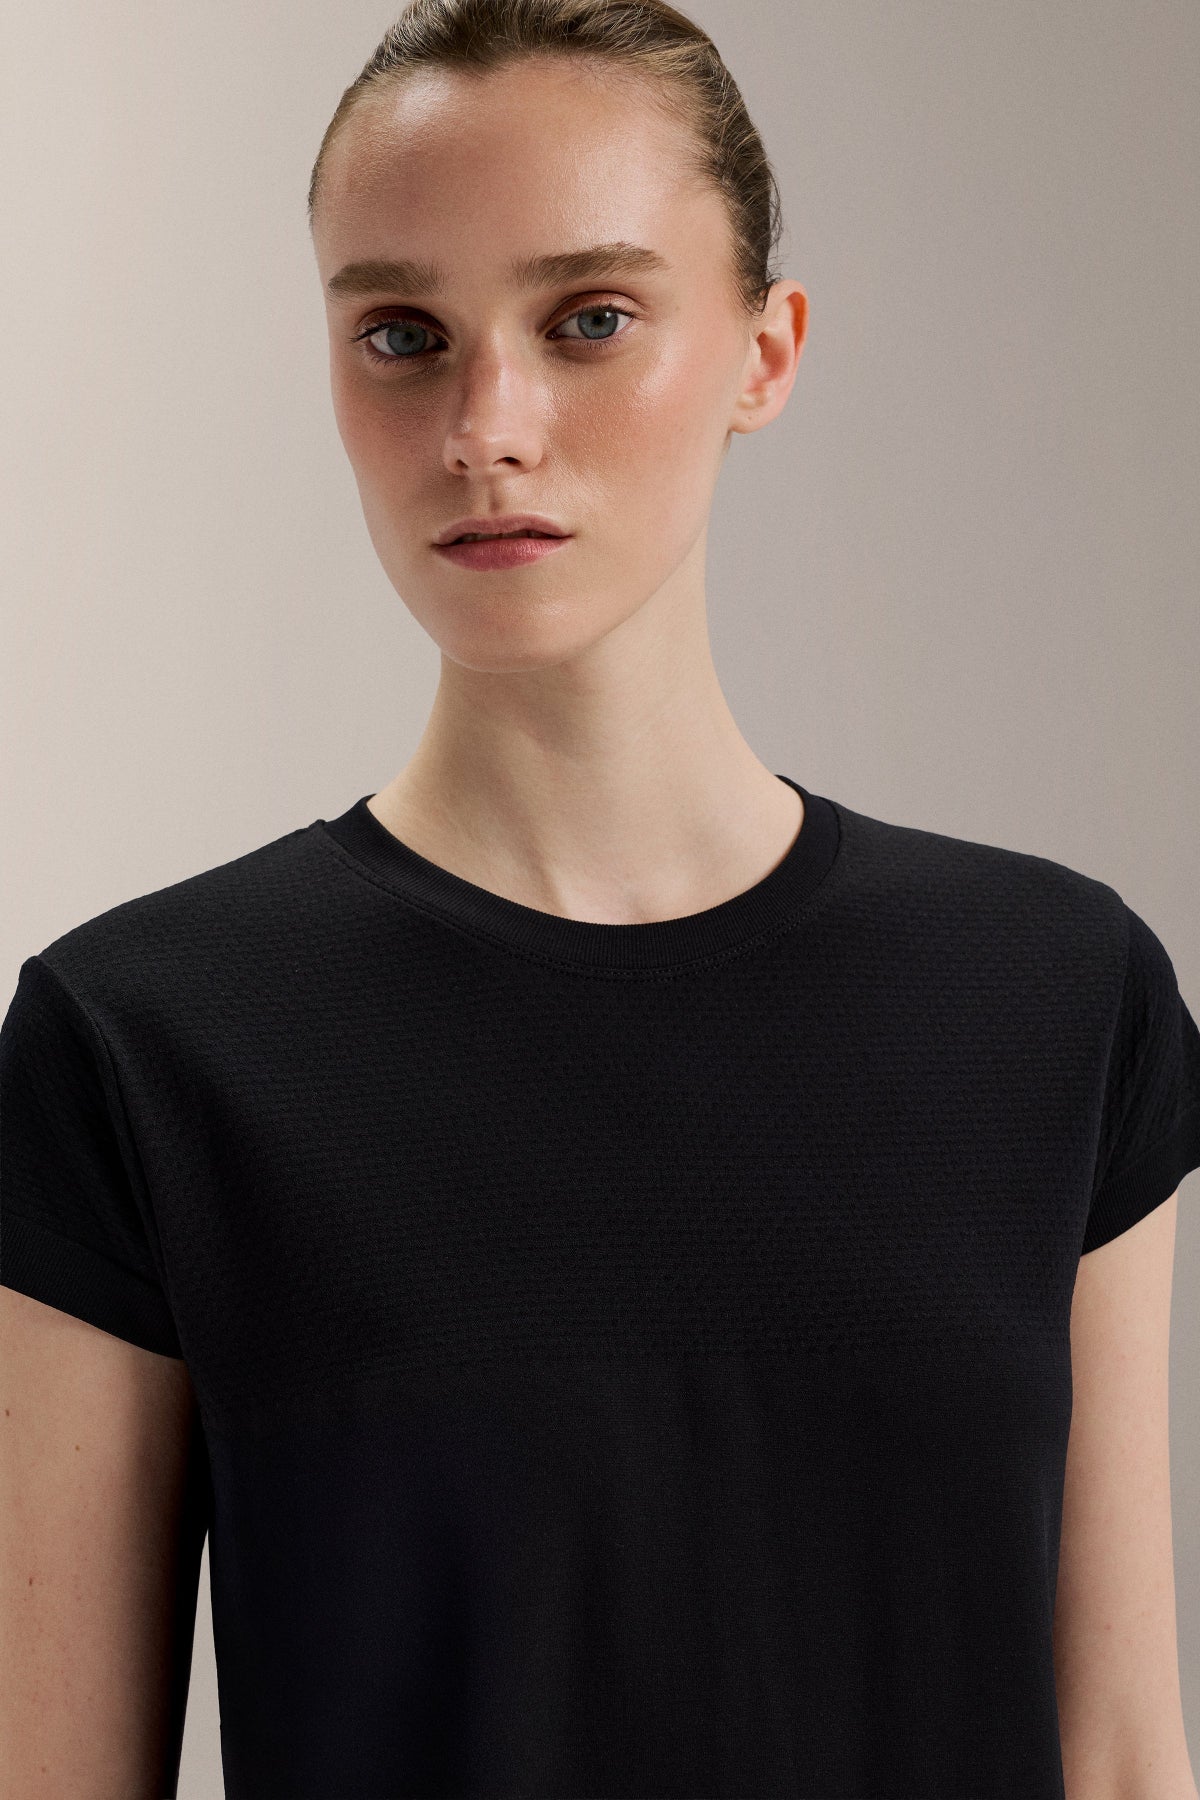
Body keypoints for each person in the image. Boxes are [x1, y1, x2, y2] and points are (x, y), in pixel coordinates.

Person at [3, 1, 1199, 1795]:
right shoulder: (147, 1044)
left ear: (764, 353)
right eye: (402, 336)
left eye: (589, 320)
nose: (487, 426)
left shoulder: (1054, 999)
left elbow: (1120, 1756)